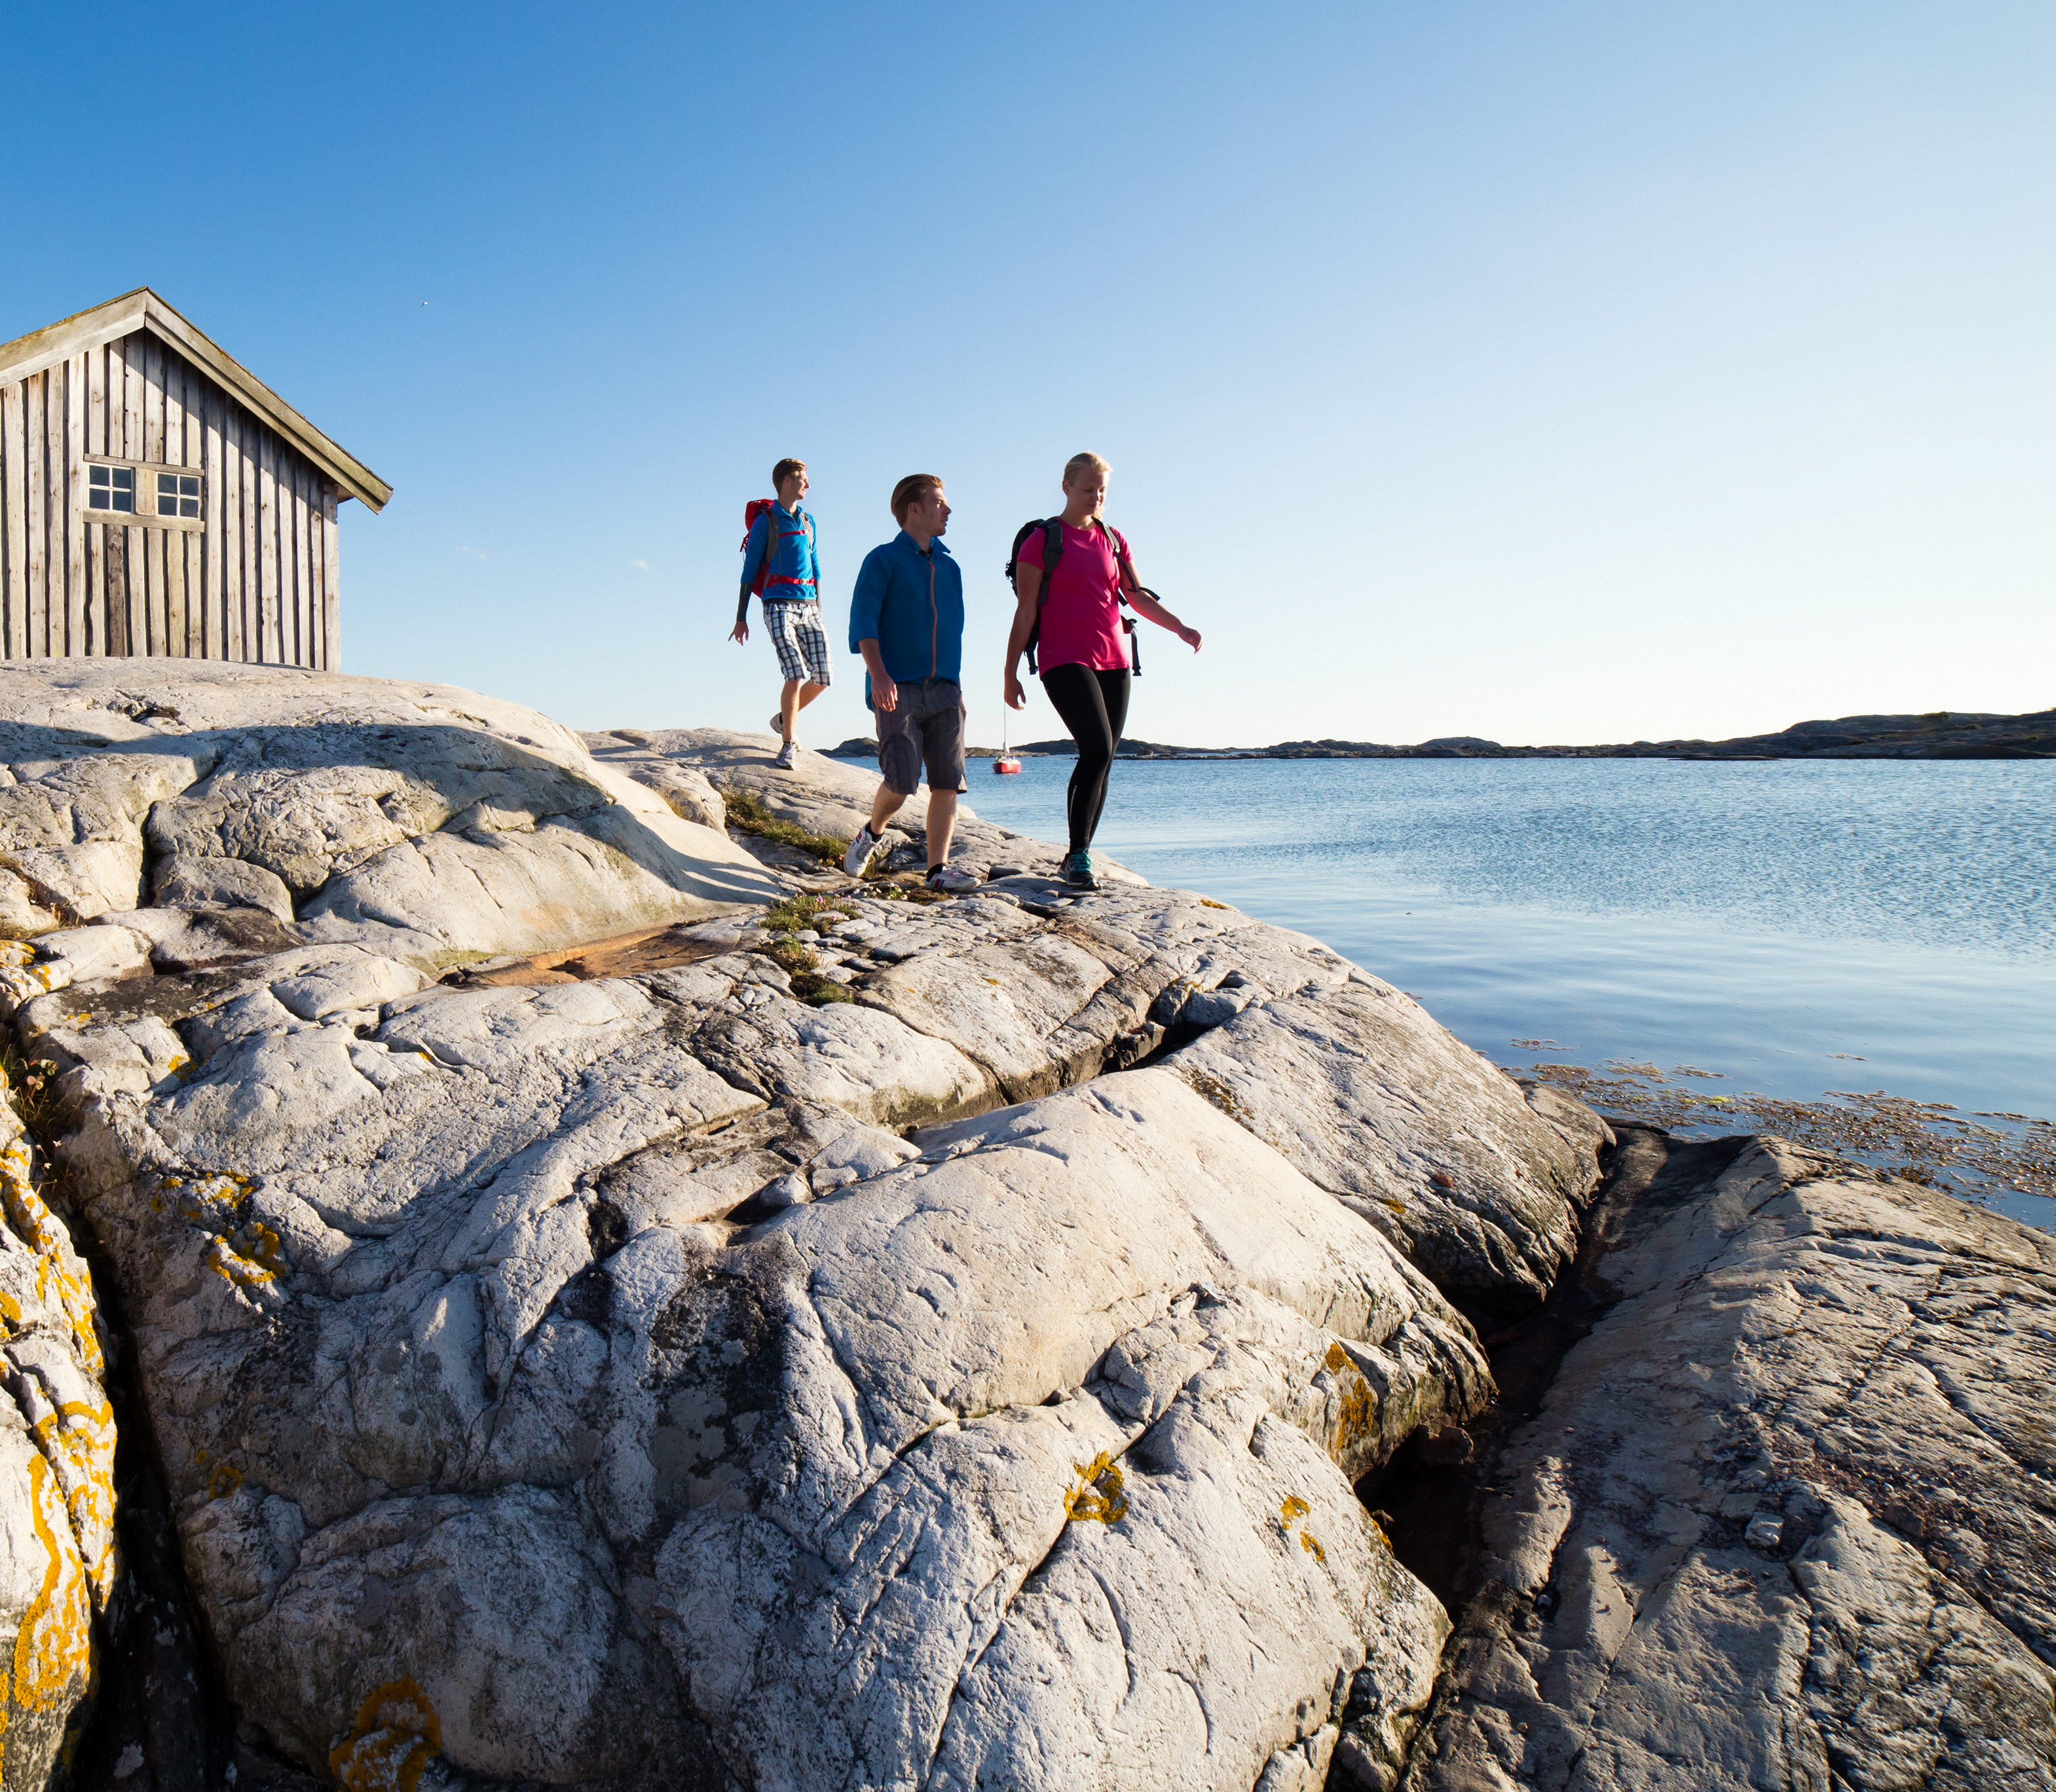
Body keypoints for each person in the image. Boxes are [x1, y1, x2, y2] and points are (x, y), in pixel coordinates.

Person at [1003, 452, 1201, 889]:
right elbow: (1024, 610)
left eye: (1102, 491)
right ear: (1067, 487)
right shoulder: (1042, 540)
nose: (1096, 497)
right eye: (1088, 489)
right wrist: (1009, 671)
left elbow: (1136, 597)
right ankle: (1076, 856)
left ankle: (1082, 853)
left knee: (1106, 755)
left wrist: (1179, 628)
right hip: (1062, 657)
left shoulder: (1113, 539)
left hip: (1114, 658)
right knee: (1094, 748)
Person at [840, 475, 981, 893]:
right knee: (902, 781)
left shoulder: (950, 566)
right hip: (896, 685)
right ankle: (872, 832)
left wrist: (956, 689)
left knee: (947, 781)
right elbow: (863, 621)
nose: (948, 510)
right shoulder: (882, 560)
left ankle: (938, 870)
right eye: (939, 502)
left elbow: (953, 632)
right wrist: (879, 675)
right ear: (913, 509)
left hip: (944, 689)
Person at [730, 458, 829, 771]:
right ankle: (789, 743)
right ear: (786, 481)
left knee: (824, 677)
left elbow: (816, 569)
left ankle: (784, 719)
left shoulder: (809, 521)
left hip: (810, 605)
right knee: (796, 673)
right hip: (777, 604)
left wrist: (820, 611)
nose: (808, 484)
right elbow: (748, 571)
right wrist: (741, 617)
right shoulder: (767, 522)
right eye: (802, 478)